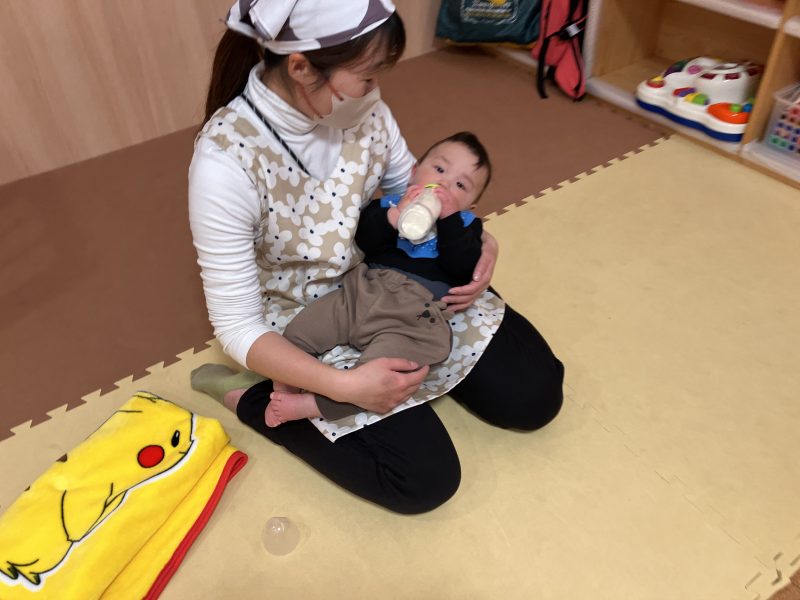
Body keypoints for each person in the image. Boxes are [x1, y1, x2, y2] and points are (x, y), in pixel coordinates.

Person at [189, 0, 565, 515]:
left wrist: (484, 241)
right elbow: (235, 324)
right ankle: (251, 398)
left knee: (535, 396)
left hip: (399, 276)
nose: (376, 91)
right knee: (424, 480)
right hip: (305, 307)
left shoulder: (363, 110)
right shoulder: (224, 164)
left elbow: (418, 192)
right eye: (367, 77)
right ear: (301, 67)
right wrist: (345, 386)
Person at [266, 131, 490, 427]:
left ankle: (313, 405)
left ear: (471, 206)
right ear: (414, 172)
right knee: (302, 329)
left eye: (461, 185)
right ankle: (284, 385)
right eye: (439, 169)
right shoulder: (388, 205)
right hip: (362, 292)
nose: (444, 185)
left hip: (413, 317)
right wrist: (394, 217)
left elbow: (461, 266)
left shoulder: (466, 227)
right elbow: (363, 240)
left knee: (384, 375)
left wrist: (449, 221)